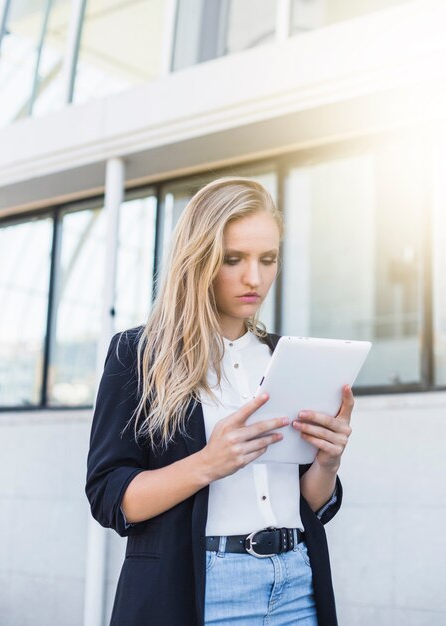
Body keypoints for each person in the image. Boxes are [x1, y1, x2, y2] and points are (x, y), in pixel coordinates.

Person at [85, 177, 354, 626]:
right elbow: (109, 497)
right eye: (233, 259)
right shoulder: (139, 354)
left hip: (295, 584)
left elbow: (310, 502)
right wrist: (208, 463)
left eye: (268, 259)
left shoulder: (286, 356)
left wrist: (327, 462)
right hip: (201, 588)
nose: (255, 277)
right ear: (199, 260)